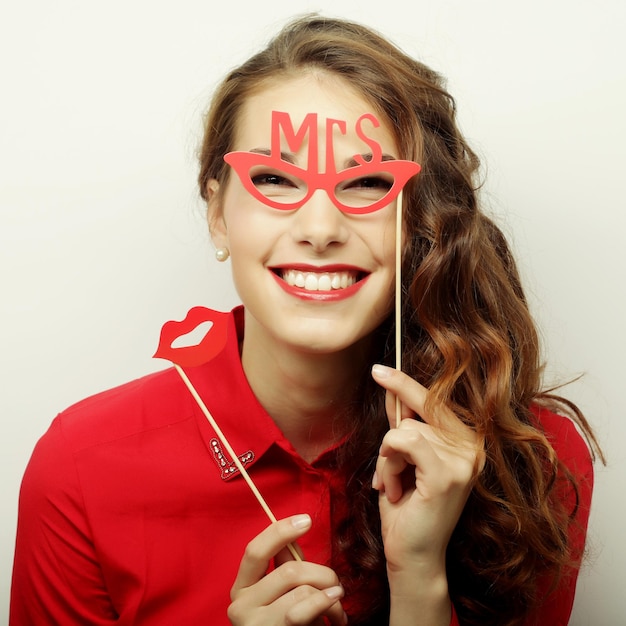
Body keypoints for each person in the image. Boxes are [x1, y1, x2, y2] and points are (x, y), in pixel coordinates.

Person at [10, 14, 602, 626]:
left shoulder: (532, 461)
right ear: (217, 212)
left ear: (422, 220)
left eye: (368, 183)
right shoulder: (81, 469)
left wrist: (421, 582)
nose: (320, 230)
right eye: (273, 179)